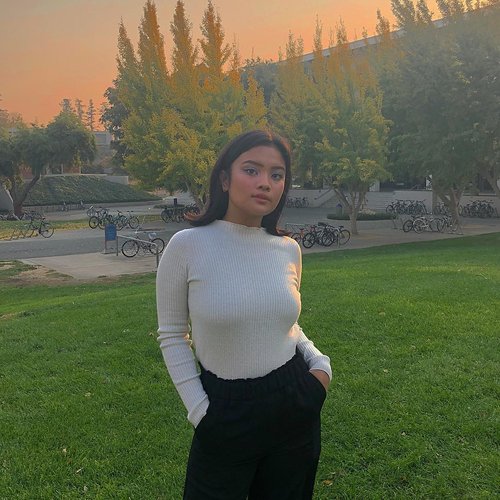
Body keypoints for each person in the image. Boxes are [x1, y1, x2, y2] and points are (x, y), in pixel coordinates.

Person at [156, 130, 332, 500]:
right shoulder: (186, 246)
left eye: (276, 174)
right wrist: (199, 411)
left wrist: (319, 365)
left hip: (293, 401)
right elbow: (172, 334)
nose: (265, 183)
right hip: (224, 410)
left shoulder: (288, 249)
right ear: (224, 178)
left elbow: (285, 323)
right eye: (251, 170)